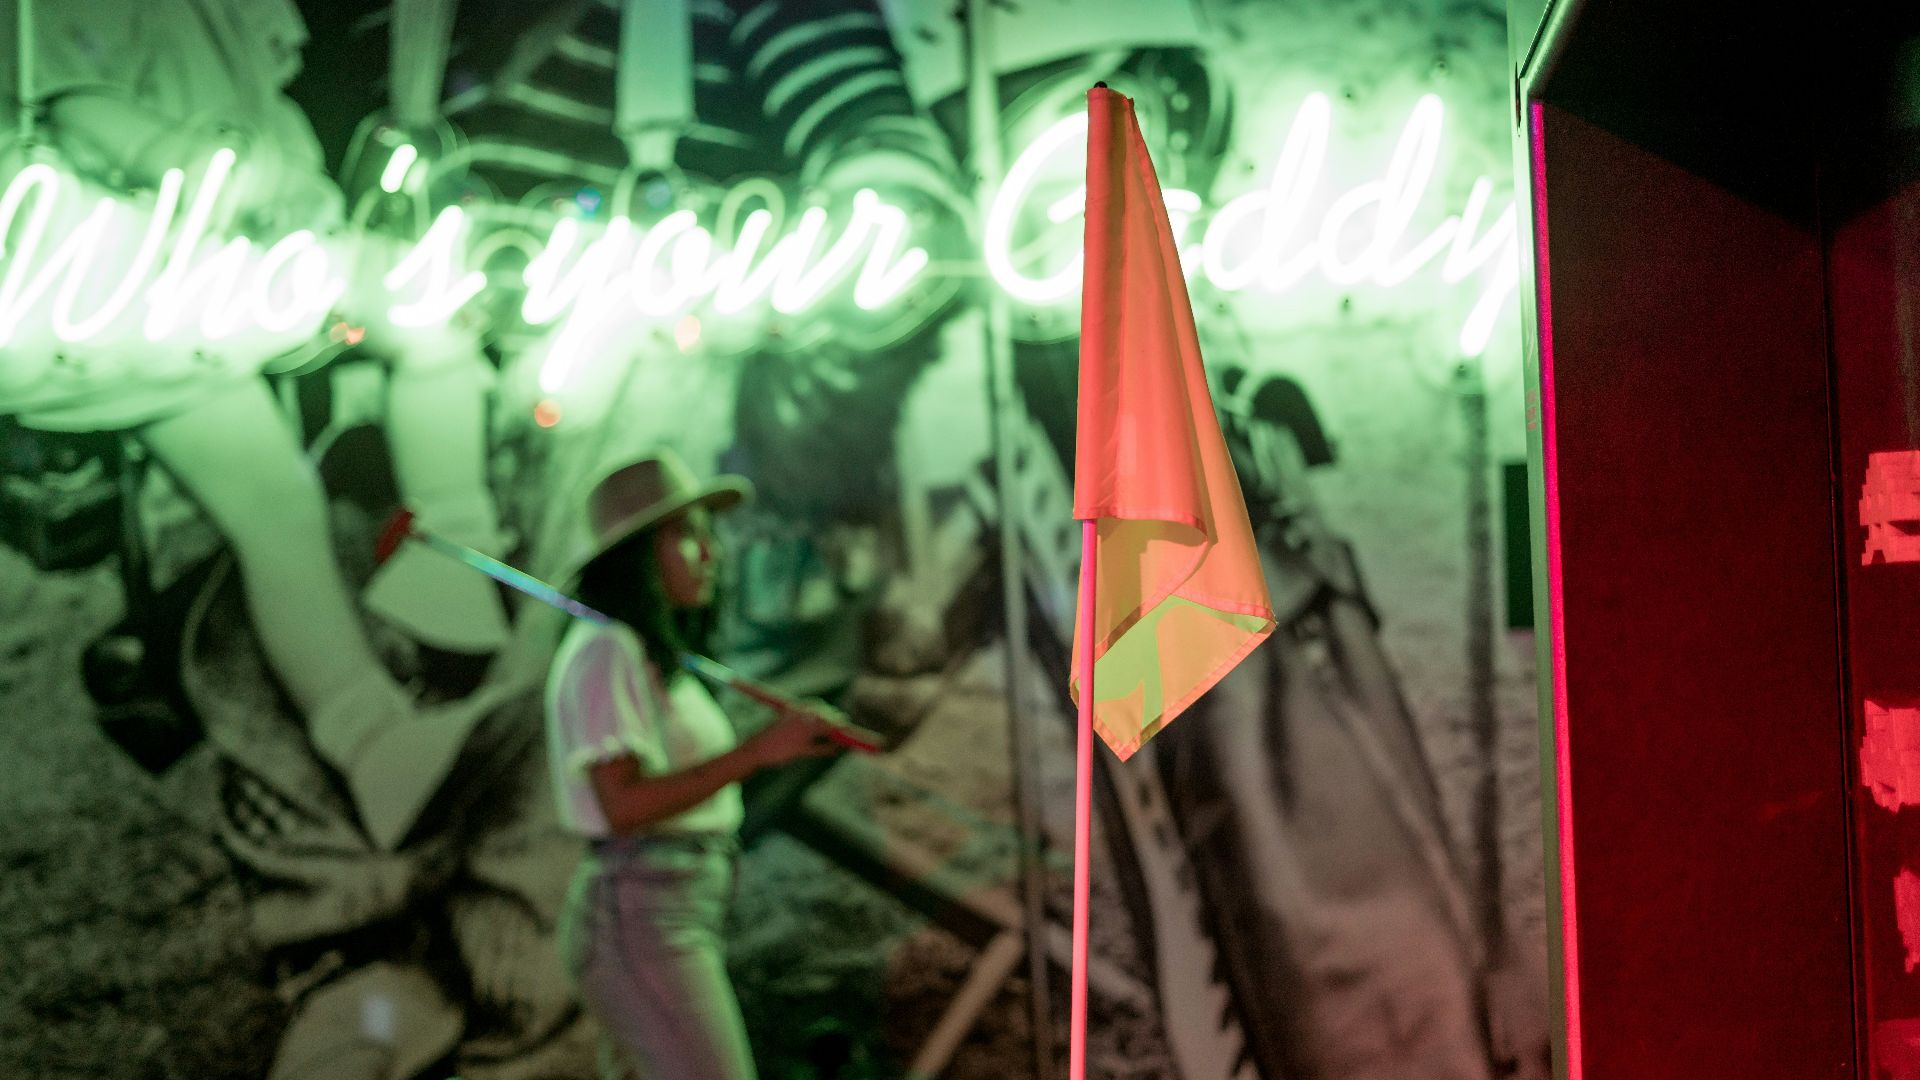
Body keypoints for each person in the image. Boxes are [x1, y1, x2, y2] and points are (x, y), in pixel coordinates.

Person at [0, 0, 515, 851]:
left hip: (236, 258)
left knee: (427, 323)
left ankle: (451, 569)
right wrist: (179, 158)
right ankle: (378, 735)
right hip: (120, 284)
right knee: (279, 501)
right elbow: (70, 97)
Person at [546, 447, 846, 1080]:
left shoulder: (645, 653)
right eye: (685, 534)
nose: (711, 553)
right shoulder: (607, 649)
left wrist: (771, 745)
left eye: (708, 534)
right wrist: (755, 753)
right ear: (634, 554)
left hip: (667, 909)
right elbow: (621, 804)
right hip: (641, 915)